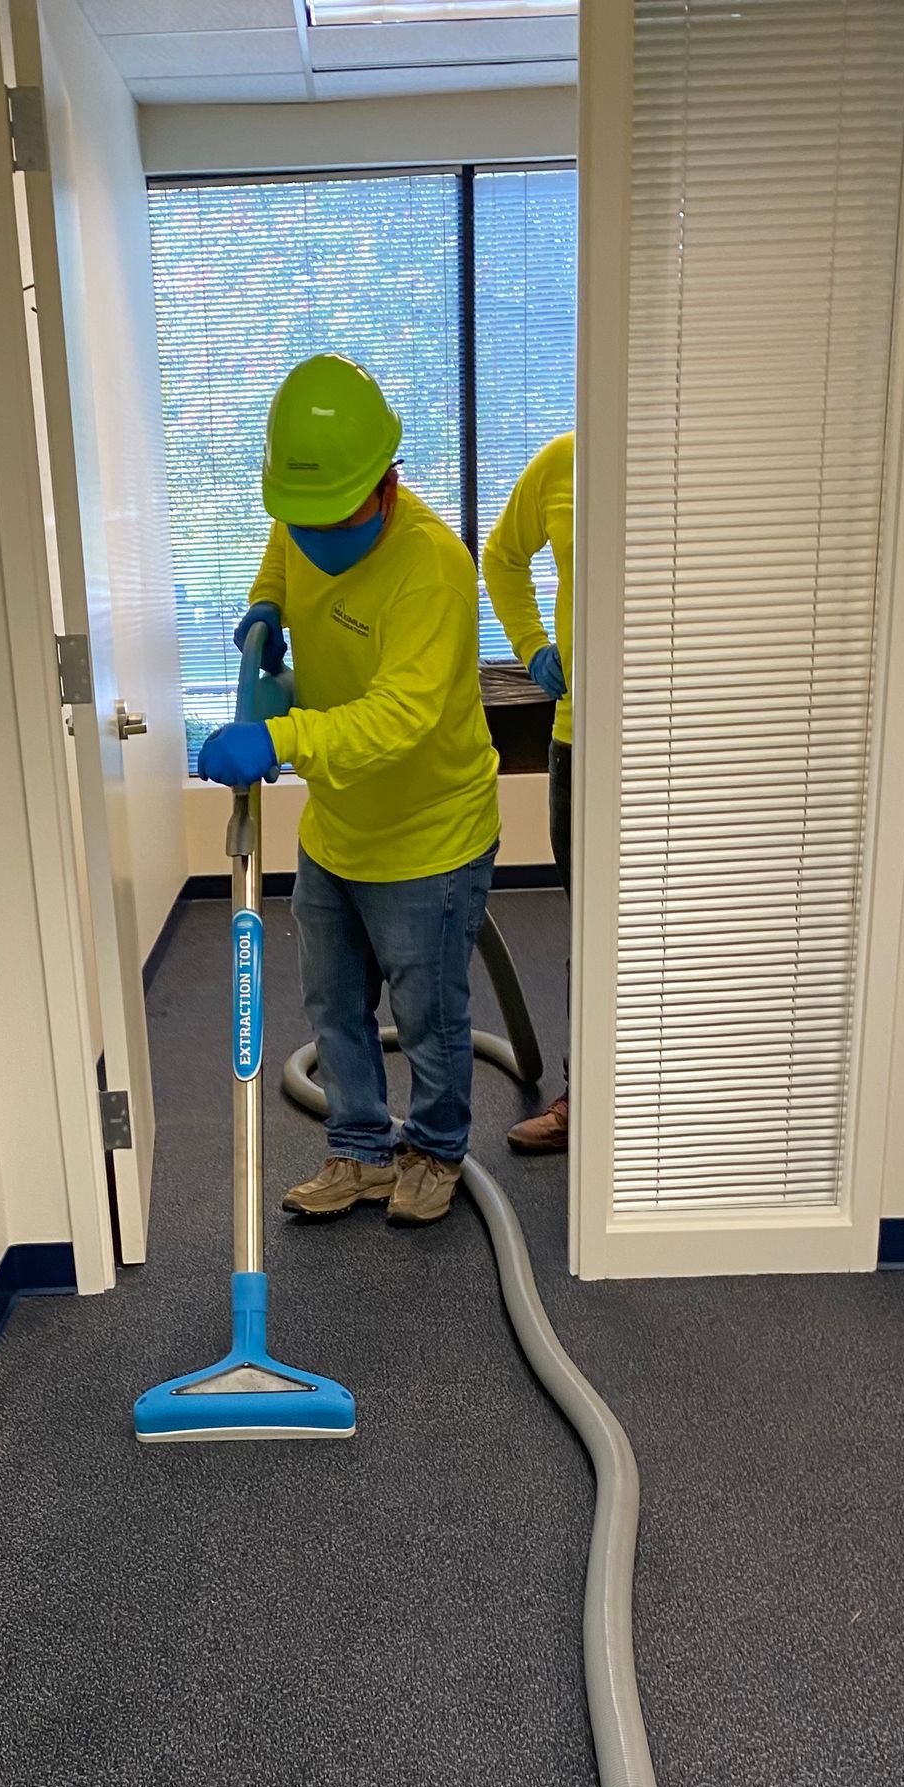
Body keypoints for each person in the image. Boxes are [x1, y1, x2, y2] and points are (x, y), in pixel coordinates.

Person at [196, 354, 501, 1228]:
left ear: (386, 484)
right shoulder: (301, 517)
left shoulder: (432, 569)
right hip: (338, 826)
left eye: (333, 517)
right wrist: (262, 610)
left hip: (429, 834)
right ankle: (360, 1148)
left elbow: (395, 718)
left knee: (429, 1013)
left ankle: (436, 1152)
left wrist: (279, 737)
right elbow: (280, 572)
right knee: (333, 1001)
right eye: (300, 520)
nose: (313, 535)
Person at [482, 429, 573, 1153]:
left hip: (676, 733)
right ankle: (591, 1093)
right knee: (592, 921)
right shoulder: (565, 461)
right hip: (581, 732)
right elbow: (503, 557)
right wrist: (532, 643)